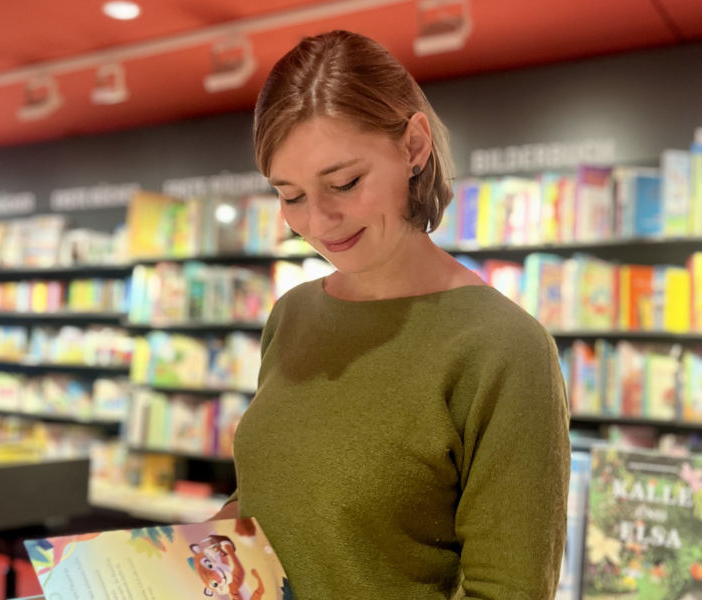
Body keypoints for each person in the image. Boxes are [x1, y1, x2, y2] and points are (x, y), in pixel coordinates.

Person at [210, 30, 570, 599]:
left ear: (413, 147)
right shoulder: (293, 315)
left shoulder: (504, 347)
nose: (320, 222)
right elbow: (269, 503)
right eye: (291, 196)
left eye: (344, 183)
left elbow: (509, 589)